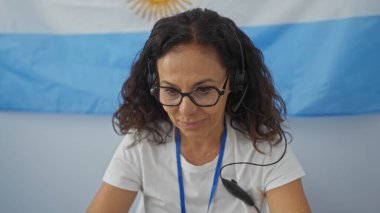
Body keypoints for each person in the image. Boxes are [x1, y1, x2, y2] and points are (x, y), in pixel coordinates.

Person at [87, 8, 311, 213]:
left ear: (234, 82)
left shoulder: (263, 145)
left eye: (203, 90)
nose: (186, 110)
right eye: (171, 91)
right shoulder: (142, 141)